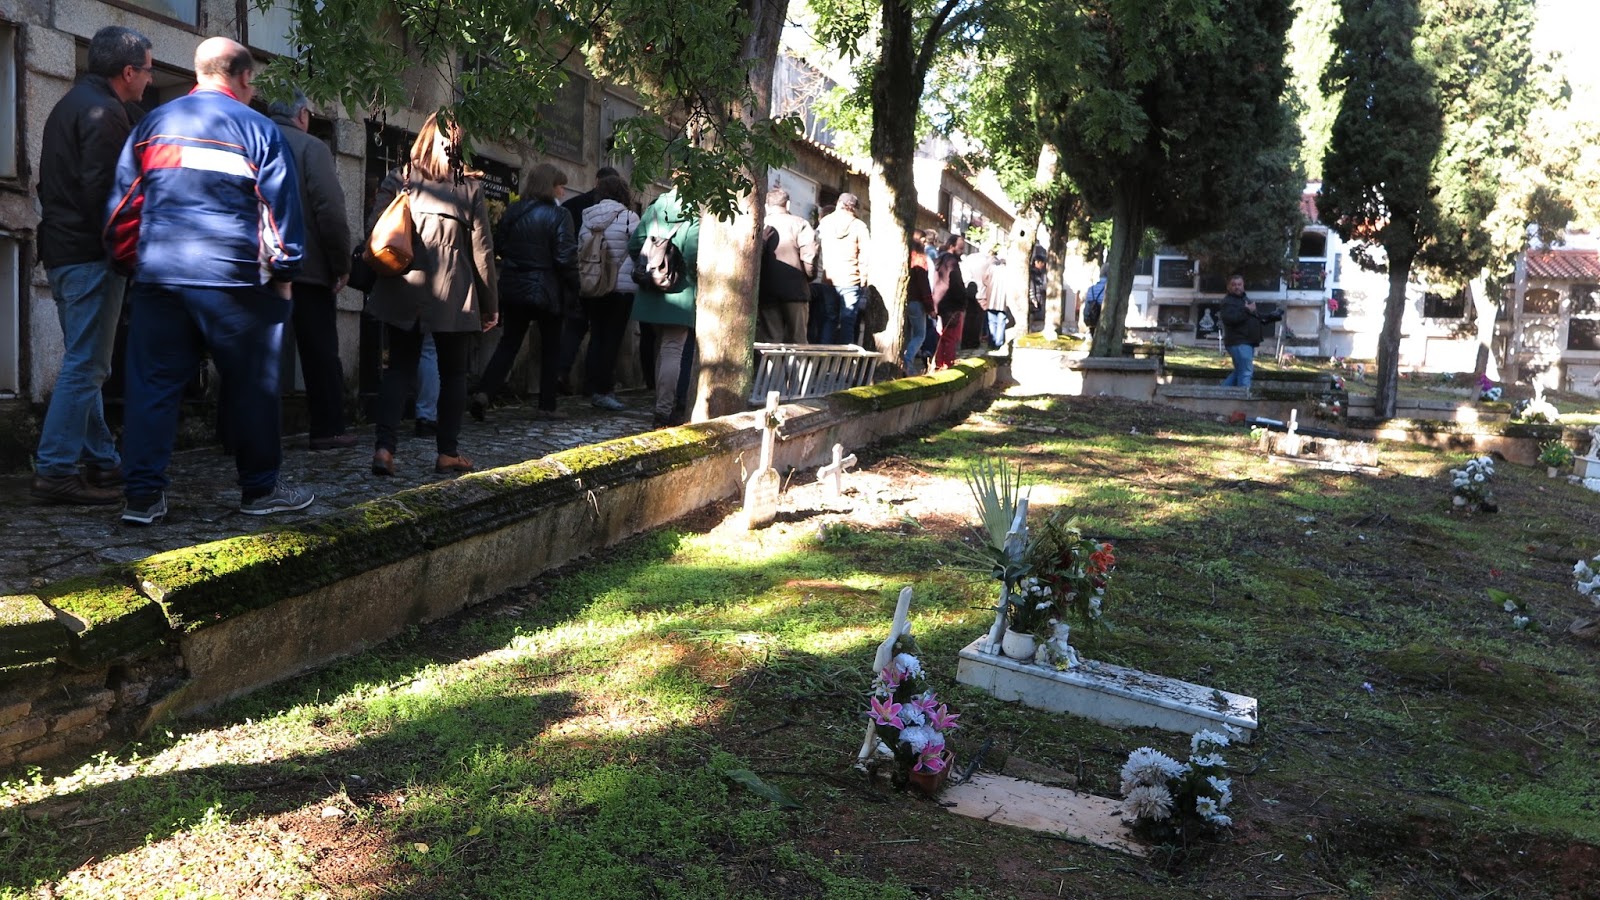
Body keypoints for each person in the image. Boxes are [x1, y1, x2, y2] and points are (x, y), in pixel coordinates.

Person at [107, 37, 307, 524]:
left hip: (161, 275)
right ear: (244, 78)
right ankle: (260, 489)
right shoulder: (258, 129)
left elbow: (124, 207)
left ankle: (142, 497)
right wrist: (284, 270)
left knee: (153, 386)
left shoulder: (153, 124)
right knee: (252, 386)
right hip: (234, 281)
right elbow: (280, 212)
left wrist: (135, 262)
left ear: (199, 73)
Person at [32, 26, 153, 506]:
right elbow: (108, 197)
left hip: (65, 252)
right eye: (148, 71)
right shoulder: (104, 112)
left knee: (86, 363)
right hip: (89, 256)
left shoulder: (71, 104)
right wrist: (130, 253)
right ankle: (55, 470)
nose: (150, 80)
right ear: (128, 71)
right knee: (86, 365)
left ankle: (102, 459)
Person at [366, 113, 499, 477]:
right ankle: (447, 453)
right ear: (458, 144)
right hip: (453, 292)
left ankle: (384, 450)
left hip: (403, 287)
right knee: (454, 374)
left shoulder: (400, 179)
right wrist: (490, 305)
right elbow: (482, 252)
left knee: (398, 369)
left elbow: (374, 230)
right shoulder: (469, 188)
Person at [268, 90, 355, 451]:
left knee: (256, 353)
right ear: (302, 114)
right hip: (306, 268)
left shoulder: (252, 140)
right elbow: (330, 210)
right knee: (319, 353)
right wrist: (341, 264)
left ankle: (240, 433)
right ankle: (328, 429)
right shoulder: (310, 148)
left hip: (257, 267)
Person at [470, 163, 576, 423]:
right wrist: (574, 286)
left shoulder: (514, 210)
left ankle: (484, 392)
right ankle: (547, 406)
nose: (562, 192)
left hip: (515, 284)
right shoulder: (560, 215)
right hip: (547, 287)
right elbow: (565, 257)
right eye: (560, 186)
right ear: (550, 186)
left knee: (509, 343)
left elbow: (500, 245)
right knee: (551, 347)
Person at [629, 188, 700, 426]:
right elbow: (693, 254)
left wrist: (652, 268)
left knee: (661, 348)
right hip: (681, 292)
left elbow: (635, 244)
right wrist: (681, 275)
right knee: (672, 350)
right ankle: (664, 411)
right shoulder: (695, 212)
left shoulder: (654, 209)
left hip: (650, 288)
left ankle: (661, 404)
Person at [573, 174, 640, 411]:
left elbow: (581, 247)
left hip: (593, 285)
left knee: (597, 336)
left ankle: (591, 386)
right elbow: (638, 248)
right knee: (613, 339)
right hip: (621, 287)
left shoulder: (587, 216)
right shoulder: (629, 217)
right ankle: (604, 390)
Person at [756, 187, 819, 344]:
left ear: (767, 206)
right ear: (788, 204)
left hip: (766, 290)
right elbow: (810, 256)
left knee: (771, 340)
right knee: (798, 339)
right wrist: (808, 276)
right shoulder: (800, 224)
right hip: (796, 289)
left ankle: (772, 362)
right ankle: (796, 362)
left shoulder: (760, 225)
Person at [816, 193, 870, 344]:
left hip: (828, 277)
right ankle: (847, 357)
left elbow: (816, 246)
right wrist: (864, 279)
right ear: (855, 208)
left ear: (839, 203)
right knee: (848, 321)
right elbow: (865, 255)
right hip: (851, 278)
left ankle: (823, 355)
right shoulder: (859, 226)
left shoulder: (825, 222)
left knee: (829, 318)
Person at [1219, 274, 1268, 390]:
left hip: (1247, 341)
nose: (1237, 287)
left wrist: (1270, 316)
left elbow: (1254, 317)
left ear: (1243, 285)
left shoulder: (1244, 299)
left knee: (1239, 372)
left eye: (1239, 284)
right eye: (1234, 285)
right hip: (1239, 342)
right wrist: (1247, 310)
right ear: (1229, 287)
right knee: (1246, 372)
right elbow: (1231, 319)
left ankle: (1219, 393)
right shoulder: (1228, 302)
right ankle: (1243, 397)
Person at [931, 233, 968, 370]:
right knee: (950, 338)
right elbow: (956, 283)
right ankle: (947, 364)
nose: (962, 251)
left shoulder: (940, 259)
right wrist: (962, 301)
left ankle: (940, 363)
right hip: (951, 303)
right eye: (960, 248)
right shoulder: (951, 262)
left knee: (943, 337)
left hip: (939, 301)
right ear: (952, 246)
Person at [905, 239, 934, 375]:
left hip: (907, 301)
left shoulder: (906, 261)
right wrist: (930, 307)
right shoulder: (920, 263)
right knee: (919, 335)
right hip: (917, 302)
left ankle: (906, 360)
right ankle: (907, 362)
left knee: (908, 333)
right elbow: (924, 287)